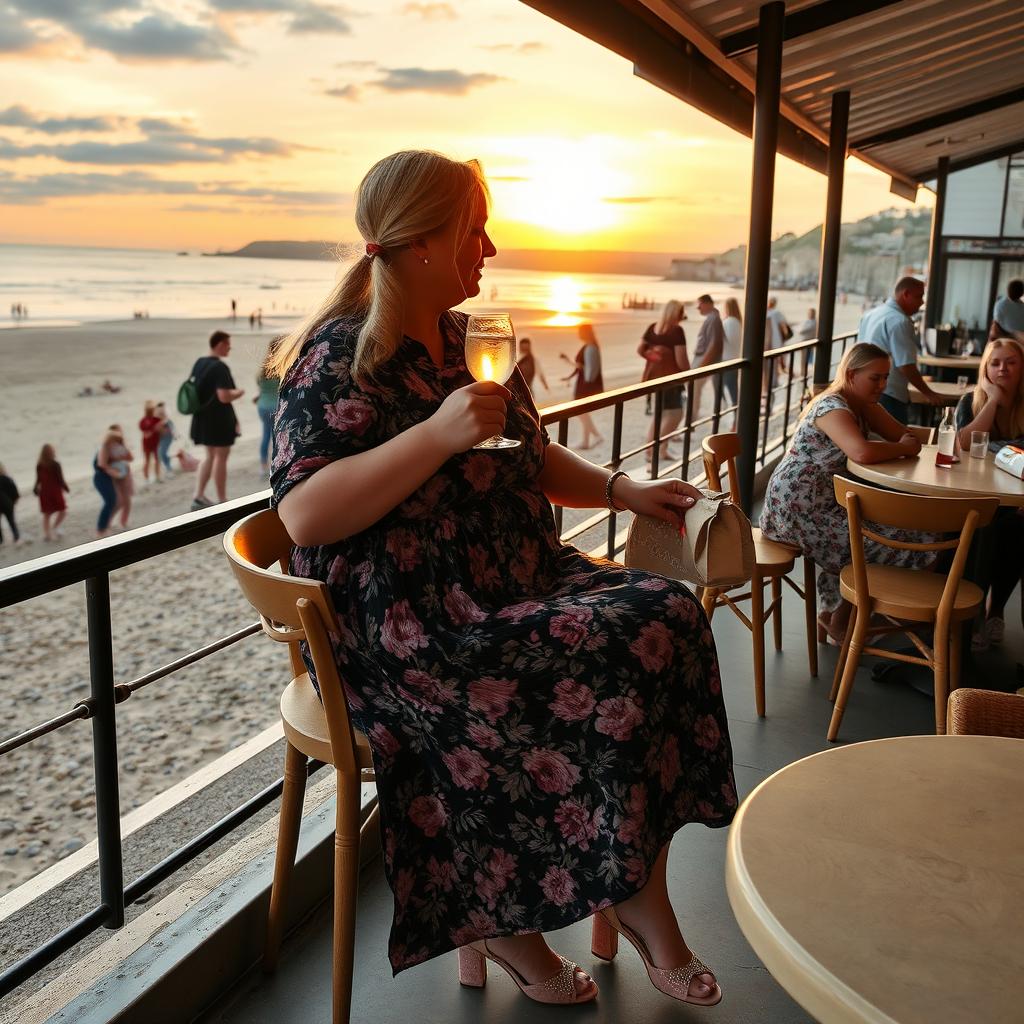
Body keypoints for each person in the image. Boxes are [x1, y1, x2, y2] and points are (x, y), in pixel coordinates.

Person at [268, 150, 735, 1005]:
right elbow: (303, 515)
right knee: (612, 646)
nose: (488, 245)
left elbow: (529, 453)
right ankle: (568, 913)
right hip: (417, 625)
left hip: (516, 578)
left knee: (667, 613)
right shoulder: (338, 357)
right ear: (416, 242)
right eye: (472, 229)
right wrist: (436, 436)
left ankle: (629, 883)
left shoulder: (464, 339)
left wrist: (626, 488)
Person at [760, 343, 933, 643]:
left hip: (825, 503)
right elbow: (862, 452)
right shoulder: (831, 407)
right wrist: (902, 447)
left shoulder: (864, 406)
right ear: (852, 375)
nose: (882, 385)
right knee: (901, 538)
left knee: (895, 531)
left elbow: (904, 436)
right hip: (795, 508)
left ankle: (836, 616)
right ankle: (851, 620)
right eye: (875, 378)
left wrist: (908, 443)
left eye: (885, 378)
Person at [954, 337, 1024, 649]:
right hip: (975, 497)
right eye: (995, 363)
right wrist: (992, 400)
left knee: (1015, 528)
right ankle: (975, 611)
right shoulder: (971, 401)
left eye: (1010, 362)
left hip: (1017, 502)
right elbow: (964, 444)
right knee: (985, 525)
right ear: (985, 367)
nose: (1002, 369)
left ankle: (995, 610)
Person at [857, 276, 943, 423]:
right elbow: (906, 365)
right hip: (888, 393)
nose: (922, 302)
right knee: (896, 441)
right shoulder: (900, 321)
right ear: (906, 294)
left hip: (863, 390)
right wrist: (928, 393)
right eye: (919, 296)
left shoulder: (871, 314)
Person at [189, 330, 244, 510]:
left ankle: (198, 495)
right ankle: (222, 499)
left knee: (210, 456)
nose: (230, 348)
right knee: (221, 457)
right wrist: (239, 392)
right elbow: (224, 397)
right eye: (228, 344)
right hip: (218, 420)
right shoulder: (220, 367)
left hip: (203, 418)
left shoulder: (200, 363)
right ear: (220, 344)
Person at [637, 300, 688, 471]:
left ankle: (657, 451)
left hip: (653, 379)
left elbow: (640, 349)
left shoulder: (653, 328)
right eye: (681, 312)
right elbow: (681, 361)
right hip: (670, 380)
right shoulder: (676, 331)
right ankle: (655, 451)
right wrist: (690, 372)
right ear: (677, 314)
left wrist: (653, 355)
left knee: (658, 415)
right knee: (675, 414)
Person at [560, 322, 605, 449]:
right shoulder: (590, 346)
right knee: (582, 411)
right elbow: (582, 367)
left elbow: (590, 372)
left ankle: (596, 436)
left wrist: (587, 384)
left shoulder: (591, 348)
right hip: (584, 382)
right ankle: (587, 440)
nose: (578, 334)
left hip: (586, 384)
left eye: (580, 331)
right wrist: (568, 368)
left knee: (580, 411)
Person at [691, 294, 725, 417]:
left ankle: (691, 421)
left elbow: (714, 344)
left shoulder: (713, 318)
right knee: (694, 391)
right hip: (703, 360)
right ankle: (691, 420)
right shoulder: (713, 317)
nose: (698, 308)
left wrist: (701, 366)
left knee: (694, 390)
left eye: (700, 304)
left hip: (703, 361)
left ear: (708, 304)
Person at [256, 336, 282, 477]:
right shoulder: (281, 366)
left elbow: (261, 388)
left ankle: (263, 466)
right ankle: (276, 466)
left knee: (266, 435)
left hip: (262, 406)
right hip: (275, 406)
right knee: (276, 437)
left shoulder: (263, 368)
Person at [34, 444, 69, 541]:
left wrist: (35, 489)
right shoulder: (55, 464)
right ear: (51, 453)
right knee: (62, 511)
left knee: (47, 514)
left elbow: (38, 480)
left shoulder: (39, 465)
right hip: (55, 491)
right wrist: (66, 488)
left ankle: (47, 534)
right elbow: (60, 479)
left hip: (44, 492)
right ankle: (55, 528)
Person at [93, 426, 123, 538]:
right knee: (110, 502)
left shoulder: (109, 448)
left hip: (106, 478)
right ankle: (100, 529)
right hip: (101, 478)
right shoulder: (104, 448)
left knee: (116, 501)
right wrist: (113, 472)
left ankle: (106, 525)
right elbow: (102, 464)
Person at [105, 424, 134, 530]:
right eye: (116, 433)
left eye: (119, 432)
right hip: (116, 476)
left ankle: (123, 521)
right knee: (119, 501)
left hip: (126, 474)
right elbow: (105, 463)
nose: (118, 435)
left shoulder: (122, 445)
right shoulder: (107, 447)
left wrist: (123, 454)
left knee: (127, 500)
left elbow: (130, 458)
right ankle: (108, 522)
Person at [720, 297, 742, 424]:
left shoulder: (728, 322)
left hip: (726, 360)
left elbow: (724, 341)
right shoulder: (738, 322)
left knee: (729, 391)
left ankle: (734, 420)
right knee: (732, 389)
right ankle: (735, 418)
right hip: (734, 359)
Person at [139, 400, 163, 483]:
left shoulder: (156, 419)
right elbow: (146, 433)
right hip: (148, 443)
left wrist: (159, 428)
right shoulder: (143, 421)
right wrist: (155, 429)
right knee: (148, 460)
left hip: (156, 442)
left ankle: (157, 476)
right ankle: (147, 477)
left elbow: (161, 430)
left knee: (156, 459)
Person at [0, 464, 20, 544]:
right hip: (8, 504)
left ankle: (1, 540)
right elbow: (15, 492)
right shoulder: (7, 479)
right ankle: (16, 537)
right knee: (11, 521)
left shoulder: (7, 479)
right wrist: (14, 501)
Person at [155, 401, 176, 474]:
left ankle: (168, 467)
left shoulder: (167, 421)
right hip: (160, 437)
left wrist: (173, 433)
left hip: (167, 437)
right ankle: (167, 466)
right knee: (160, 453)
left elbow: (172, 428)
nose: (162, 415)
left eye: (163, 413)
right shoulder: (157, 419)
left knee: (162, 453)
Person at [797, 307, 817, 376]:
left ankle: (803, 373)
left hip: (808, 342)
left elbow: (801, 331)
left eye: (811, 313)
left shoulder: (814, 322)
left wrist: (800, 329)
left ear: (814, 314)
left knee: (805, 358)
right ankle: (803, 372)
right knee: (804, 358)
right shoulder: (806, 321)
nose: (810, 314)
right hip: (803, 342)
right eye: (809, 313)